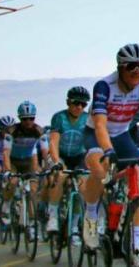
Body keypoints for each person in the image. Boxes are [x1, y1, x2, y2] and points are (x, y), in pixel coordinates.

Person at [81, 43, 139, 267]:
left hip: (122, 134)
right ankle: (91, 216)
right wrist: (108, 151)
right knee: (99, 169)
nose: (137, 70)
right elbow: (101, 124)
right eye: (131, 66)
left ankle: (136, 247)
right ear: (120, 67)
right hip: (96, 134)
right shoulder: (104, 86)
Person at [46, 86, 90, 241]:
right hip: (62, 155)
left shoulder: (87, 118)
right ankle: (52, 216)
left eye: (83, 104)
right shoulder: (59, 117)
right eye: (76, 103)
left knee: (82, 186)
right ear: (68, 102)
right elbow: (53, 141)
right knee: (60, 175)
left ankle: (74, 228)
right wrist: (57, 162)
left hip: (78, 156)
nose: (79, 107)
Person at [4, 101, 43, 239]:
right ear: (20, 118)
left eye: (31, 118)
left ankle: (32, 224)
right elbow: (6, 153)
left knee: (32, 192)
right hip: (13, 161)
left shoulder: (38, 130)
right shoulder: (12, 131)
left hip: (28, 161)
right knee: (13, 181)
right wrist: (8, 170)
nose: (28, 121)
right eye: (25, 119)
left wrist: (46, 166)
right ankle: (6, 206)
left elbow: (44, 151)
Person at [0, 116, 14, 211]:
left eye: (11, 129)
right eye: (6, 129)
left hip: (10, 162)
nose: (9, 132)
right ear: (0, 129)